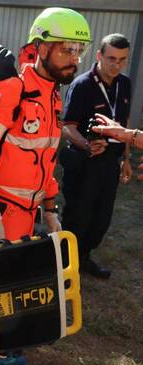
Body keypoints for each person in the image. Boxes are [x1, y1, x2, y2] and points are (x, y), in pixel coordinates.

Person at [0, 7, 91, 250]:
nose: (75, 59)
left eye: (79, 50)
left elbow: (46, 157)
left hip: (27, 217)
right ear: (42, 49)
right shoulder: (14, 89)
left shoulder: (53, 96)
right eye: (68, 49)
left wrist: (51, 210)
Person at [60, 34, 133, 279]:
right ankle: (65, 264)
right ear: (99, 55)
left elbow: (125, 125)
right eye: (111, 58)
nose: (116, 65)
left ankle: (84, 258)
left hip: (110, 163)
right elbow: (67, 127)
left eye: (122, 60)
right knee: (78, 216)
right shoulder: (82, 85)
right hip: (84, 163)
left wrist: (125, 158)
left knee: (101, 218)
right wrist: (86, 145)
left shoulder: (125, 84)